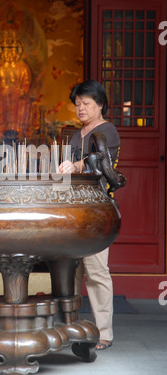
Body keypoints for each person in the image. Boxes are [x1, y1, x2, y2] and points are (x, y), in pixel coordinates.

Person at [59, 79, 120, 351]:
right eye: (77, 104)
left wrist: (75, 164)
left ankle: (104, 332)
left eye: (85, 104)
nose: (80, 108)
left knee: (96, 271)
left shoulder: (108, 131)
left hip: (96, 209)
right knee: (71, 270)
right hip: (73, 210)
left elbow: (101, 161)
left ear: (100, 105)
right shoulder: (76, 134)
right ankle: (69, 324)